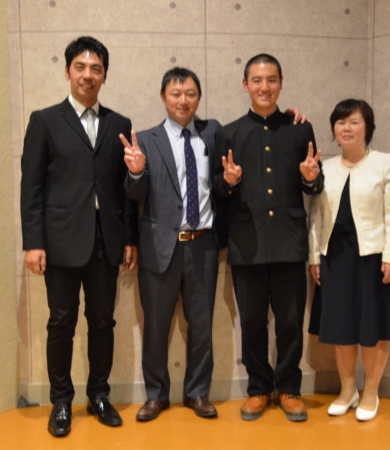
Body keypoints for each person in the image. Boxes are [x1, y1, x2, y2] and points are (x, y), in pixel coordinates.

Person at [122, 67, 307, 422]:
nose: (183, 100)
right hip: (160, 247)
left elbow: (244, 149)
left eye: (190, 93)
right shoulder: (144, 140)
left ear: (199, 98)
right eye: (176, 94)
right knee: (156, 327)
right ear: (163, 97)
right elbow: (134, 194)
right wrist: (135, 171)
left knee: (202, 326)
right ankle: (156, 395)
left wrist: (289, 115)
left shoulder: (214, 133)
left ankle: (197, 393)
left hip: (203, 245)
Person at [20, 36, 138, 437]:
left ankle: (99, 395)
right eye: (81, 67)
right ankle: (61, 401)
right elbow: (32, 188)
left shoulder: (119, 124)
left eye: (96, 69)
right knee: (61, 323)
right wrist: (33, 242)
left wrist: (129, 238)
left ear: (105, 75)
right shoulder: (44, 121)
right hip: (60, 242)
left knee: (103, 322)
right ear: (68, 71)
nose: (88, 75)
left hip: (107, 241)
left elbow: (125, 189)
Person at [213, 54, 323, 422]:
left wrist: (310, 177)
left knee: (290, 322)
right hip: (247, 243)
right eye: (257, 80)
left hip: (289, 240)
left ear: (281, 83)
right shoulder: (229, 133)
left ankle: (289, 388)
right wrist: (228, 183)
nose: (264, 87)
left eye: (271, 80)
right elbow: (217, 190)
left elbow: (315, 183)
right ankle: (259, 388)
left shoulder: (300, 129)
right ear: (245, 85)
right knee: (252, 322)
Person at [307, 99, 390, 422]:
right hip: (335, 256)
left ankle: (370, 392)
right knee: (340, 327)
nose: (347, 128)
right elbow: (316, 215)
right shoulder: (326, 168)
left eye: (354, 122)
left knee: (372, 328)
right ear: (333, 130)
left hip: (373, 257)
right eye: (341, 123)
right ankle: (347, 390)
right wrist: (314, 256)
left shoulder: (384, 163)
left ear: (367, 128)